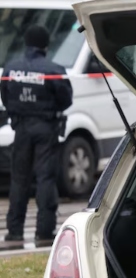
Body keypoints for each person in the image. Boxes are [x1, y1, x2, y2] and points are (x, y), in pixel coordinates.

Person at [0, 25, 73, 244]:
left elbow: (5, 96)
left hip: (21, 128)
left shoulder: (11, 69)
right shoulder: (54, 69)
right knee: (45, 178)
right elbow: (66, 99)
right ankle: (44, 231)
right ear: (45, 45)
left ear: (26, 43)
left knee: (19, 180)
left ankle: (14, 231)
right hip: (46, 128)